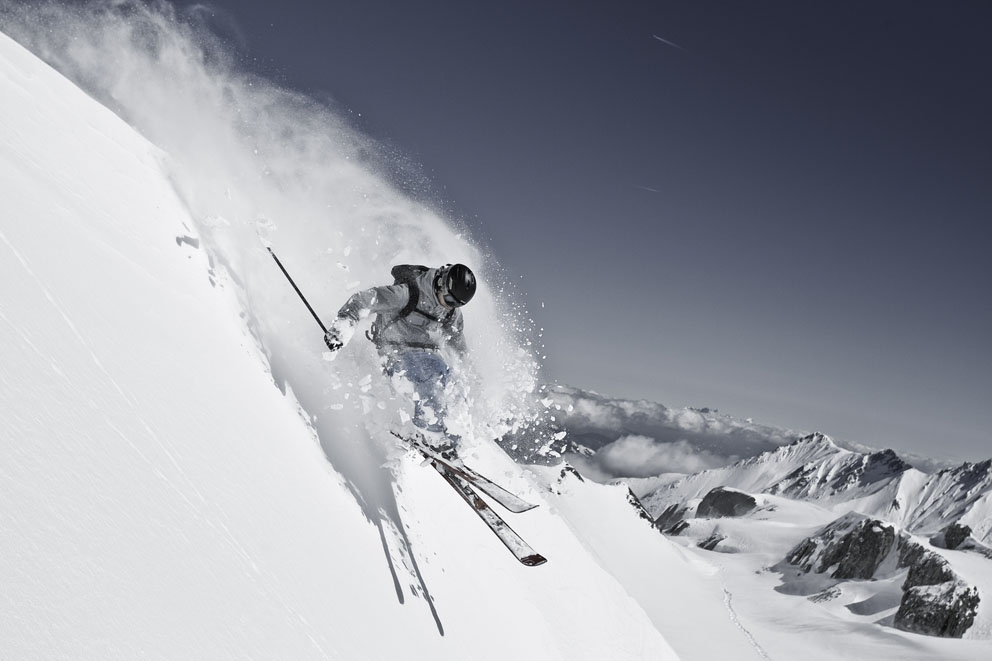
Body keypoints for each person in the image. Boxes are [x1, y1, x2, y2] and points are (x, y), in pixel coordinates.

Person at [323, 263, 477, 452]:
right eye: (448, 299)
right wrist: (344, 325)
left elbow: (457, 339)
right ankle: (430, 433)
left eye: (455, 304)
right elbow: (366, 299)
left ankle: (444, 429)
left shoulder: (451, 312)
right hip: (394, 351)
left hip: (427, 353)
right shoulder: (408, 294)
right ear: (441, 282)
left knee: (451, 382)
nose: (449, 305)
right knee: (431, 373)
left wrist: (466, 365)